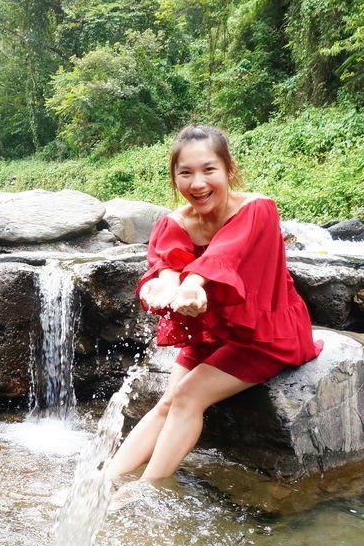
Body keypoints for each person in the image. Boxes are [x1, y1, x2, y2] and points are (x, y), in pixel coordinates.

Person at [106, 125, 323, 483]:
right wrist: (163, 286)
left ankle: (145, 490)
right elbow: (168, 265)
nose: (198, 183)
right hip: (213, 333)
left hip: (267, 334)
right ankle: (106, 480)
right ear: (174, 177)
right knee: (168, 400)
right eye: (185, 173)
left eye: (209, 170)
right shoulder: (175, 222)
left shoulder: (258, 210)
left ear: (228, 170)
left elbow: (225, 254)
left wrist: (192, 285)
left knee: (189, 395)